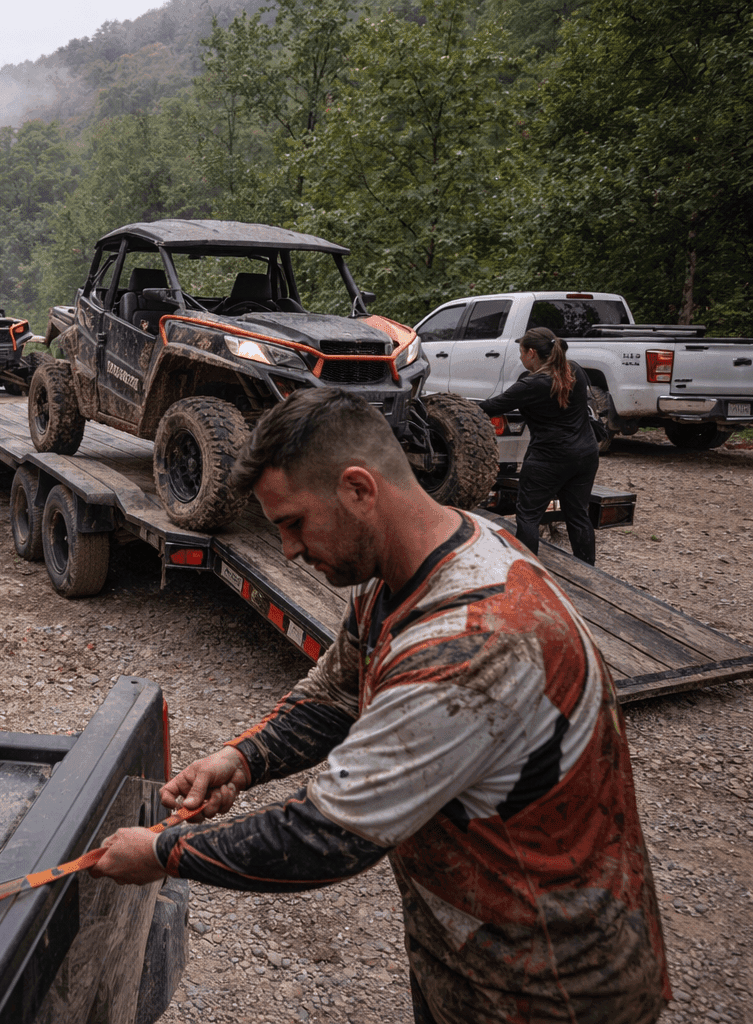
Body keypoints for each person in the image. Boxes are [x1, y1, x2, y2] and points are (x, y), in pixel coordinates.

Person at [90, 388, 669, 1024]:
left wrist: (162, 853)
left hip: (550, 987)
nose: (287, 549)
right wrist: (241, 758)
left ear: (359, 490)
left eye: (293, 523)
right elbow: (337, 695)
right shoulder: (418, 563)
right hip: (470, 954)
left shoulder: (469, 645)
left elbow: (327, 835)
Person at [477, 327, 600, 563]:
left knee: (528, 517)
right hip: (585, 455)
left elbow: (490, 407)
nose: (521, 357)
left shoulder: (532, 385)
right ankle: (589, 570)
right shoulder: (574, 370)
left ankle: (529, 574)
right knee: (578, 515)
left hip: (548, 460)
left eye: (521, 352)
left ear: (531, 353)